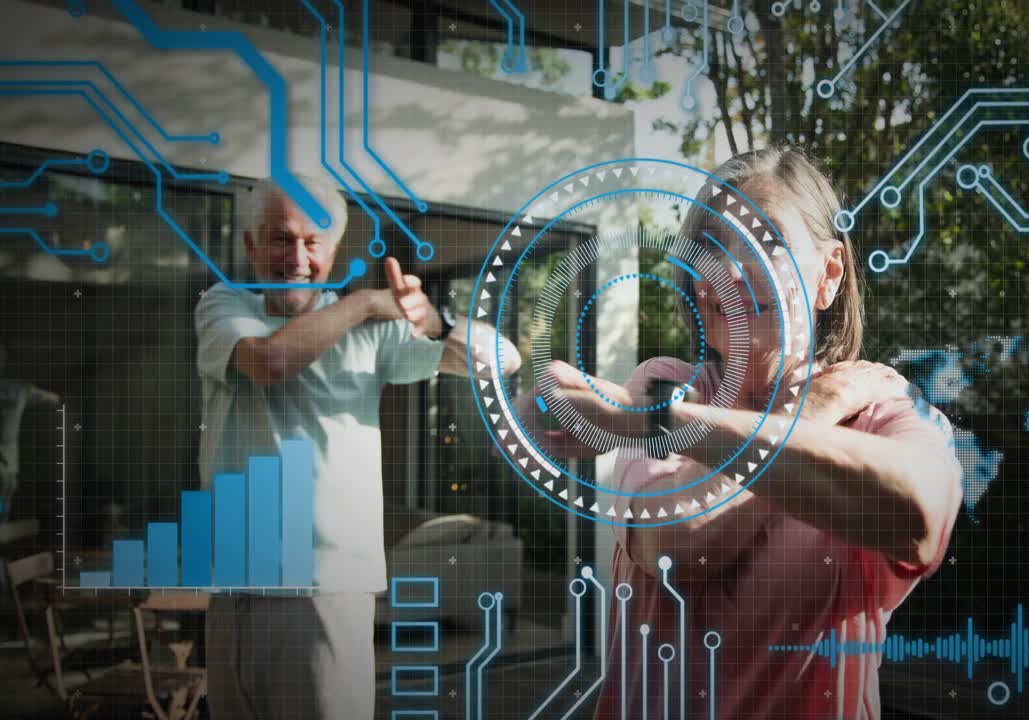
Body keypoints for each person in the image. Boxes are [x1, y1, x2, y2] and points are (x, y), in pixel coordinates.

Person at [529, 148, 962, 719]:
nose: (727, 271)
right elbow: (676, 549)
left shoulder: (883, 409)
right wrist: (812, 410)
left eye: (767, 243)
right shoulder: (667, 386)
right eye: (711, 244)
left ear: (829, 275)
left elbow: (919, 518)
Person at [196, 175, 520, 720]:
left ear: (333, 249)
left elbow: (505, 360)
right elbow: (269, 363)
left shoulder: (374, 336)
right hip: (232, 585)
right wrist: (367, 303)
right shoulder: (224, 306)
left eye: (312, 241)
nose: (296, 256)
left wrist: (436, 322)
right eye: (279, 238)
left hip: (324, 591)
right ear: (251, 246)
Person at [0, 345, 61, 521]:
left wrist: (57, 399)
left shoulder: (19, 389)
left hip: (9, 462)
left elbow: (52, 398)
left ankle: (2, 522)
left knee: (6, 493)